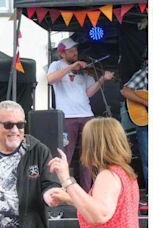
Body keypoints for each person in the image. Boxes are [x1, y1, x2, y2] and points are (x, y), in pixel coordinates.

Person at [47, 37, 115, 192]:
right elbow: (50, 80)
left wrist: (103, 79)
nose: (75, 53)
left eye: (76, 50)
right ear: (62, 53)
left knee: (88, 155)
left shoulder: (84, 72)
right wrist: (71, 67)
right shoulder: (56, 65)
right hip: (67, 116)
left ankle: (87, 190)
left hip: (86, 115)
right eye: (71, 51)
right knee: (66, 154)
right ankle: (61, 189)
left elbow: (89, 92)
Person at [120, 59, 148, 194]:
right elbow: (125, 91)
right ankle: (150, 190)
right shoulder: (144, 74)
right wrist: (146, 102)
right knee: (147, 157)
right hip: (144, 121)